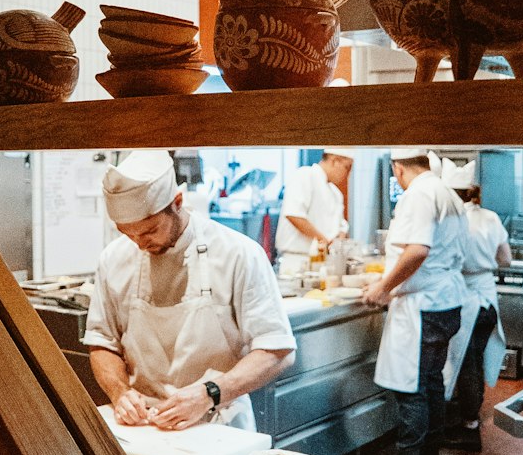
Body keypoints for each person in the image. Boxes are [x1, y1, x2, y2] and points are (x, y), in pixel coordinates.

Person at [84, 149, 296, 432]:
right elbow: (102, 343)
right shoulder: (113, 259)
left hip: (219, 423)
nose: (139, 243)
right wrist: (120, 392)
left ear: (178, 202)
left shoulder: (239, 254)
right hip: (143, 426)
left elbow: (277, 350)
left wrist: (210, 393)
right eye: (127, 233)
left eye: (149, 231)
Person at [363, 145, 470, 455]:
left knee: (413, 391)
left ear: (398, 168)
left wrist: (382, 287)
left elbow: (417, 250)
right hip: (445, 301)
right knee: (432, 384)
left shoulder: (419, 193)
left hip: (424, 306)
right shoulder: (445, 192)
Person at [441, 158, 512, 452]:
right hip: (487, 300)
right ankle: (469, 421)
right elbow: (505, 260)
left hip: (463, 299)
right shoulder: (492, 218)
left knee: (465, 364)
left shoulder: (452, 220)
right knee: (474, 363)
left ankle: (469, 428)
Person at [274, 149, 356, 277]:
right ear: (335, 161)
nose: (347, 174)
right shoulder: (305, 175)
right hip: (297, 263)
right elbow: (294, 215)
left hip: (324, 263)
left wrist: (338, 241)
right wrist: (324, 241)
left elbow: (341, 227)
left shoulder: (335, 193)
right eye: (347, 167)